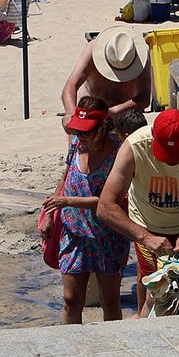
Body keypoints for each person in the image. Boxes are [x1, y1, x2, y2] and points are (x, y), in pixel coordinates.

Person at [96, 108, 179, 317]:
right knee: (156, 296)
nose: (169, 162)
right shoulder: (133, 147)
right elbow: (105, 206)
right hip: (147, 227)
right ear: (152, 135)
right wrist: (145, 238)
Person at [44, 97, 130, 323]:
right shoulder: (75, 145)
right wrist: (51, 214)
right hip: (74, 233)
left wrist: (67, 202)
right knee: (71, 299)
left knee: (110, 300)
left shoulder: (118, 155)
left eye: (85, 133)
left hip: (108, 235)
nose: (79, 137)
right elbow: (65, 178)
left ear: (101, 130)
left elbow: (109, 201)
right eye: (77, 132)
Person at [60, 24, 151, 120]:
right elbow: (71, 85)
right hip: (89, 108)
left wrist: (113, 111)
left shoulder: (140, 57)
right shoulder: (92, 49)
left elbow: (144, 98)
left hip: (124, 112)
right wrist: (70, 113)